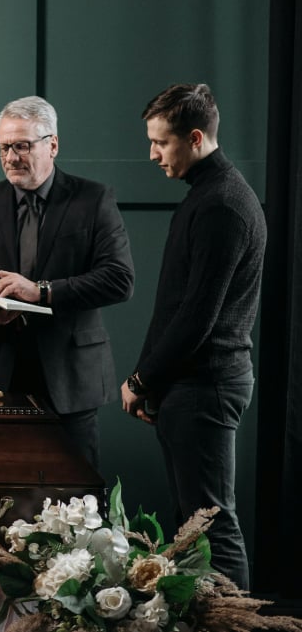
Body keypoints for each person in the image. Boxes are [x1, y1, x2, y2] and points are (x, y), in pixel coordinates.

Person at [121, 83, 266, 589]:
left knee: (212, 525)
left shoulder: (223, 205)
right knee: (192, 527)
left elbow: (197, 318)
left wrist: (141, 379)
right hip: (190, 385)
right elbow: (174, 306)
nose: (153, 154)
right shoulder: (207, 196)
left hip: (207, 386)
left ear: (197, 137)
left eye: (161, 142)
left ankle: (239, 626)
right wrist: (153, 382)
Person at [0, 96, 134, 470]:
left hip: (71, 377)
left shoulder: (94, 199)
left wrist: (42, 291)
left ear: (53, 144)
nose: (12, 157)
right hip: (0, 374)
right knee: (4, 497)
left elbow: (119, 279)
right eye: (4, 147)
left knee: (80, 502)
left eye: (22, 145)